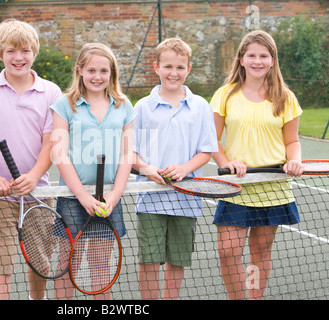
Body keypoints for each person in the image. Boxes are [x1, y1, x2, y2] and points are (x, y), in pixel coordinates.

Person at [210, 30, 304, 300]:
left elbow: (292, 142)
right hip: (236, 188)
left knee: (260, 252)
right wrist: (228, 163)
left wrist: (295, 160)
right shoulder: (225, 95)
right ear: (241, 59)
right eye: (251, 55)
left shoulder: (285, 97)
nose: (257, 61)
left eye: (264, 55)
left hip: (272, 187)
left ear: (273, 60)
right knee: (228, 252)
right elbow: (213, 141)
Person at [0, 19, 62, 300]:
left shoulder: (51, 92)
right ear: (0, 53)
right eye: (11, 51)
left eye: (24, 50)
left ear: (34, 52)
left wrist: (34, 176)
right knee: (0, 267)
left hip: (38, 194)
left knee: (40, 264)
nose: (18, 57)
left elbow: (50, 143)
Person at [132, 38, 218, 300]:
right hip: (150, 199)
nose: (173, 73)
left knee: (177, 260)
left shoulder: (201, 106)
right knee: (149, 260)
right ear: (156, 67)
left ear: (188, 69)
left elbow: (206, 150)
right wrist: (147, 169)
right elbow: (130, 153)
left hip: (186, 198)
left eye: (180, 67)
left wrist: (184, 168)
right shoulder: (142, 107)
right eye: (168, 66)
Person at [50, 42, 135, 300]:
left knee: (100, 267)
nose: (97, 77)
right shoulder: (64, 105)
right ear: (80, 70)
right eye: (91, 70)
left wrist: (114, 196)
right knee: (67, 267)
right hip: (73, 198)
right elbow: (59, 154)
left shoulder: (123, 105)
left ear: (112, 73)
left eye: (104, 71)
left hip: (108, 201)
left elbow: (127, 155)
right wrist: (83, 197)